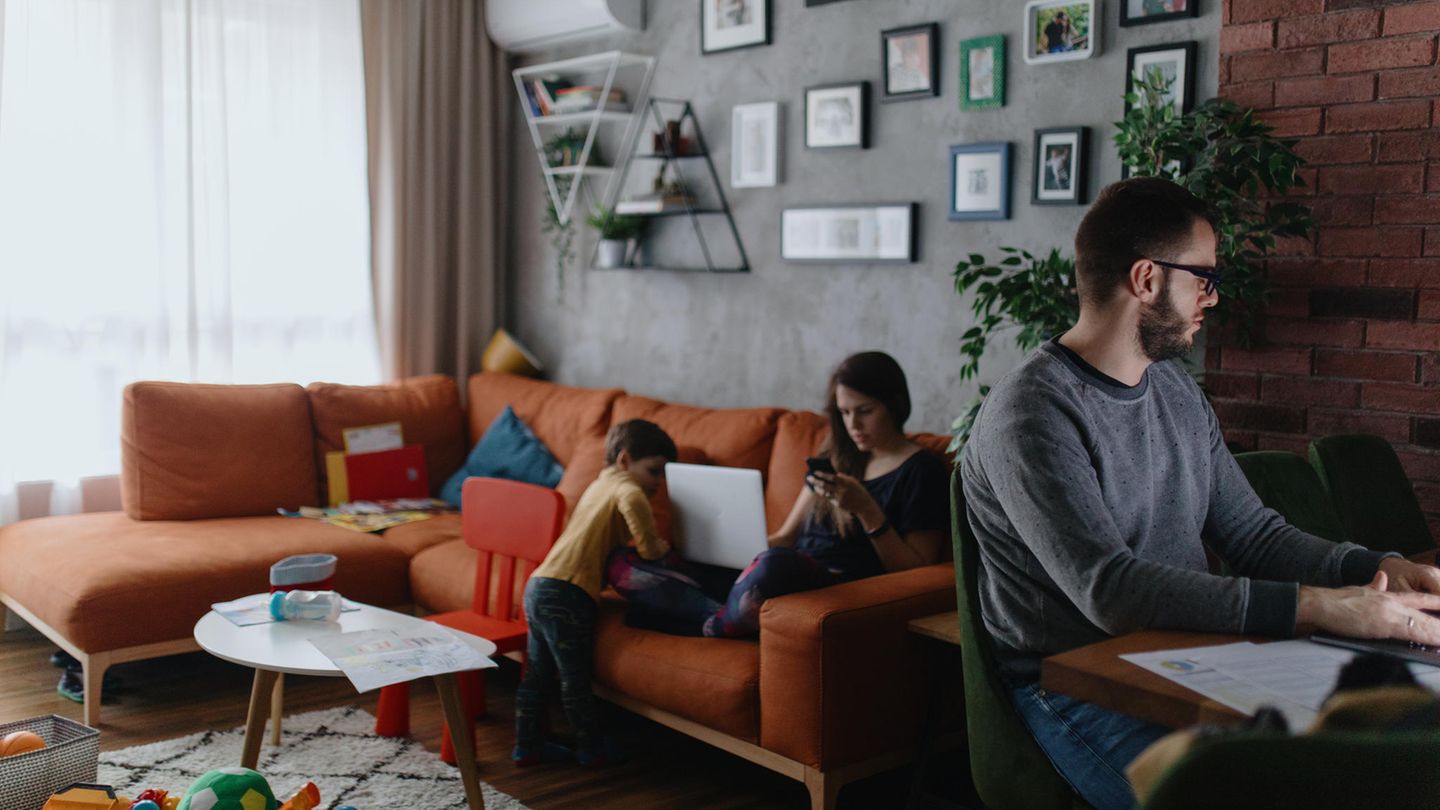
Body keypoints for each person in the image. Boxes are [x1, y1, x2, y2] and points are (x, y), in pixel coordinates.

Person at [959, 176, 1440, 810]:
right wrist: (1325, 606)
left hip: (1190, 659)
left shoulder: (1177, 390)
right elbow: (1111, 590)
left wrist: (1381, 569)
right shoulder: (1031, 412)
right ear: (1147, 279)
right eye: (1204, 278)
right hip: (1078, 683)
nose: (1212, 297)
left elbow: (1254, 534)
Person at [613, 351, 949, 638]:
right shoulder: (836, 457)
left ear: (894, 404)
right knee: (625, 563)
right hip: (773, 575)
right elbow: (786, 536)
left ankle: (709, 621)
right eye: (844, 413)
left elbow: (916, 569)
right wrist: (730, 549)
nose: (853, 425)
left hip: (825, 582)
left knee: (774, 565)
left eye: (864, 411)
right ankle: (727, 616)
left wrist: (867, 511)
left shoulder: (921, 471)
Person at [512, 419, 678, 767]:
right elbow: (648, 549)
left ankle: (527, 743)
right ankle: (590, 746)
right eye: (653, 471)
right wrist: (657, 547)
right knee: (575, 677)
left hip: (540, 584)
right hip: (568, 593)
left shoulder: (599, 485)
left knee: (538, 673)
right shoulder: (629, 490)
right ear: (624, 460)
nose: (657, 483)